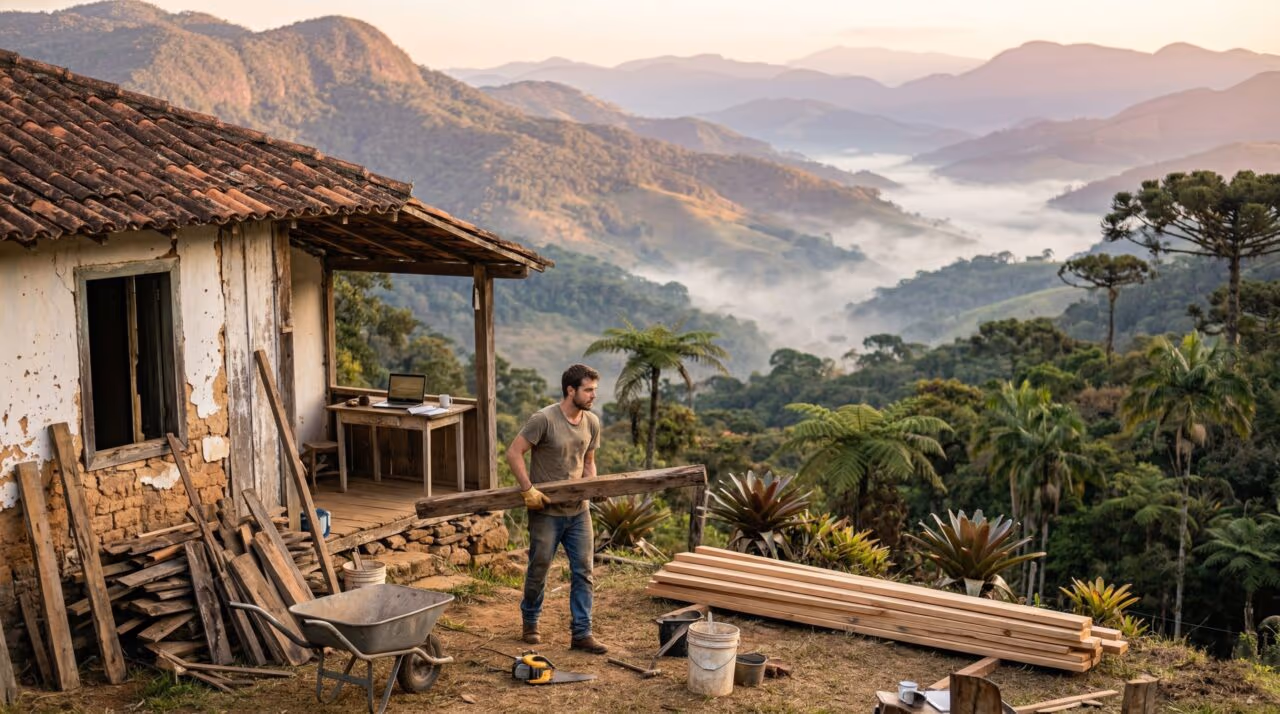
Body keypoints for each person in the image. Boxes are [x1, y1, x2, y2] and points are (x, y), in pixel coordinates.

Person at [506, 363, 608, 654]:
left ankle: (582, 633)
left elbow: (588, 463)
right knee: (539, 568)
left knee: (584, 571)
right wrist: (528, 489)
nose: (593, 395)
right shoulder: (544, 419)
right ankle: (530, 621)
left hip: (579, 512)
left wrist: (593, 487)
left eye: (594, 390)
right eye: (588, 390)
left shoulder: (592, 422)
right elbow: (513, 453)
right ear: (570, 390)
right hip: (546, 512)